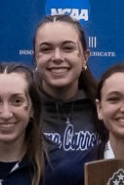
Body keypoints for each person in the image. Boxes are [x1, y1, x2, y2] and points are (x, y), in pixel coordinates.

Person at [33, 15, 100, 157]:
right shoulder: (22, 110)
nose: (57, 57)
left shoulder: (105, 109)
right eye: (46, 49)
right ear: (36, 57)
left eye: (67, 48)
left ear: (85, 57)